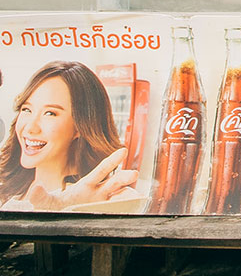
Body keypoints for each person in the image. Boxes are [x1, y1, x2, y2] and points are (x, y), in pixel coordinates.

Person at [0, 61, 138, 210]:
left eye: (50, 113)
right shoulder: (7, 191)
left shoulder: (113, 199)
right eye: (27, 109)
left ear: (81, 126)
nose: (30, 128)